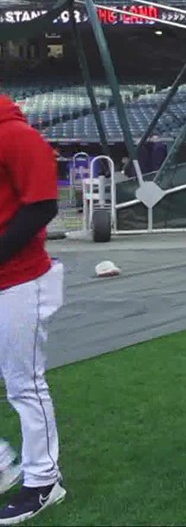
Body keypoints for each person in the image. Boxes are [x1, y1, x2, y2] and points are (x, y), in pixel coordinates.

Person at [0, 96, 67, 524]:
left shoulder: (15, 135)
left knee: (25, 384)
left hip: (21, 279)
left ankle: (44, 480)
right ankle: (5, 464)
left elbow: (43, 204)